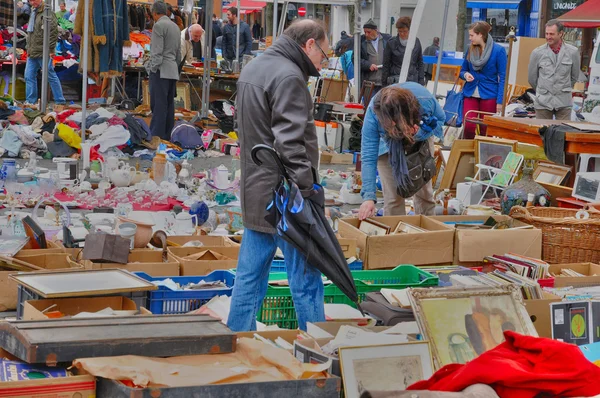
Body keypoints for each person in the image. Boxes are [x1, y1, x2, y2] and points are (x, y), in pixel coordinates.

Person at [227, 19, 330, 332]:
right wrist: (307, 191)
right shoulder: (288, 76)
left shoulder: (255, 68)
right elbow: (290, 143)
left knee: (250, 276)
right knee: (306, 279)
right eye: (323, 55)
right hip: (286, 195)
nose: (322, 64)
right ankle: (317, 347)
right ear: (309, 44)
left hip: (258, 189)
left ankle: (235, 343)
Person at [359, 83, 445, 218]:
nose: (393, 125)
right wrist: (368, 197)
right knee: (393, 198)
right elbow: (368, 156)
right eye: (389, 123)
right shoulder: (373, 114)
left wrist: (419, 134)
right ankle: (396, 235)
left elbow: (441, 118)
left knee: (424, 194)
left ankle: (428, 233)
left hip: (419, 139)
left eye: (395, 121)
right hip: (386, 146)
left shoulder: (424, 100)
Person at [460, 21, 506, 139]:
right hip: (470, 92)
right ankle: (467, 152)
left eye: (471, 35)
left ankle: (485, 155)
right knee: (469, 126)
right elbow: (462, 70)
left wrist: (500, 101)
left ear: (480, 34)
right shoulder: (470, 49)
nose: (469, 38)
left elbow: (503, 78)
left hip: (489, 94)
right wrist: (465, 75)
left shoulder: (498, 51)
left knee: (486, 130)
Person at [528, 19, 580, 120]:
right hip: (543, 102)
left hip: (563, 102)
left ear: (561, 33)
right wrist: (542, 91)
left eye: (551, 34)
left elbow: (574, 77)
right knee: (543, 133)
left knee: (562, 133)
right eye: (546, 34)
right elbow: (532, 78)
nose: (548, 37)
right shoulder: (537, 53)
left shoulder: (572, 52)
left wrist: (563, 89)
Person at [146, 1, 181, 141]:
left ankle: (156, 136)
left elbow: (157, 52)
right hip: (172, 69)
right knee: (168, 105)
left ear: (154, 13)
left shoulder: (159, 26)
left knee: (159, 105)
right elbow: (179, 53)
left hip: (161, 70)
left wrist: (151, 68)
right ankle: (167, 135)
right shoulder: (175, 27)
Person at [24, 0, 65, 107]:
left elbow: (53, 32)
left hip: (44, 50)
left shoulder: (47, 12)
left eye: (34, 0)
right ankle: (31, 102)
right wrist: (28, 48)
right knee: (28, 76)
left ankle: (60, 101)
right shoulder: (34, 12)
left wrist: (51, 49)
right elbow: (30, 33)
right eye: (30, 1)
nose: (32, 2)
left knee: (50, 75)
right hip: (33, 51)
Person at [382, 17, 424, 87]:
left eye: (405, 31)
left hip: (413, 81)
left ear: (410, 30)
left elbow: (420, 63)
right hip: (396, 80)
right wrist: (384, 85)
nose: (402, 34)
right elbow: (386, 65)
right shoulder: (391, 43)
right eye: (399, 31)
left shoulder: (416, 42)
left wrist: (421, 81)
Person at [360, 19, 391, 99]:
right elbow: (355, 59)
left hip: (384, 82)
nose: (366, 34)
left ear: (376, 30)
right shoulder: (361, 42)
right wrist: (368, 65)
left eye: (369, 32)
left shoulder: (386, 40)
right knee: (369, 106)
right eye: (365, 32)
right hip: (369, 83)